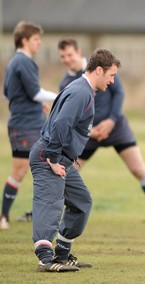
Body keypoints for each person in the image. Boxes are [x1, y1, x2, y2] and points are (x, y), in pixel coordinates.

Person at [57, 37, 145, 224]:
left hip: (116, 127)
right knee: (69, 172)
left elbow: (119, 93)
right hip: (90, 133)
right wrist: (90, 131)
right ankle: (54, 211)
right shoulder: (67, 82)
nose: (67, 59)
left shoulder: (103, 68)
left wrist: (111, 121)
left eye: (70, 54)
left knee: (138, 169)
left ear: (78, 52)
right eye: (62, 56)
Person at [29, 48, 120, 272]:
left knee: (81, 202)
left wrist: (70, 155)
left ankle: (61, 253)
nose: (113, 81)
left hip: (63, 158)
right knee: (50, 203)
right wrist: (51, 158)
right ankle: (45, 258)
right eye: (112, 75)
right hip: (49, 155)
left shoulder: (83, 90)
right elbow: (61, 124)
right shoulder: (81, 92)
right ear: (99, 70)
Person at [1, 21, 57, 229]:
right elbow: (35, 92)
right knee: (37, 167)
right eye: (36, 39)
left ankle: (6, 216)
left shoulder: (13, 62)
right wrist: (60, 97)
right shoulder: (24, 62)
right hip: (27, 124)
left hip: (23, 123)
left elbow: (8, 93)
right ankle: (38, 216)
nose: (39, 43)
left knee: (24, 170)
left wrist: (38, 102)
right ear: (24, 40)